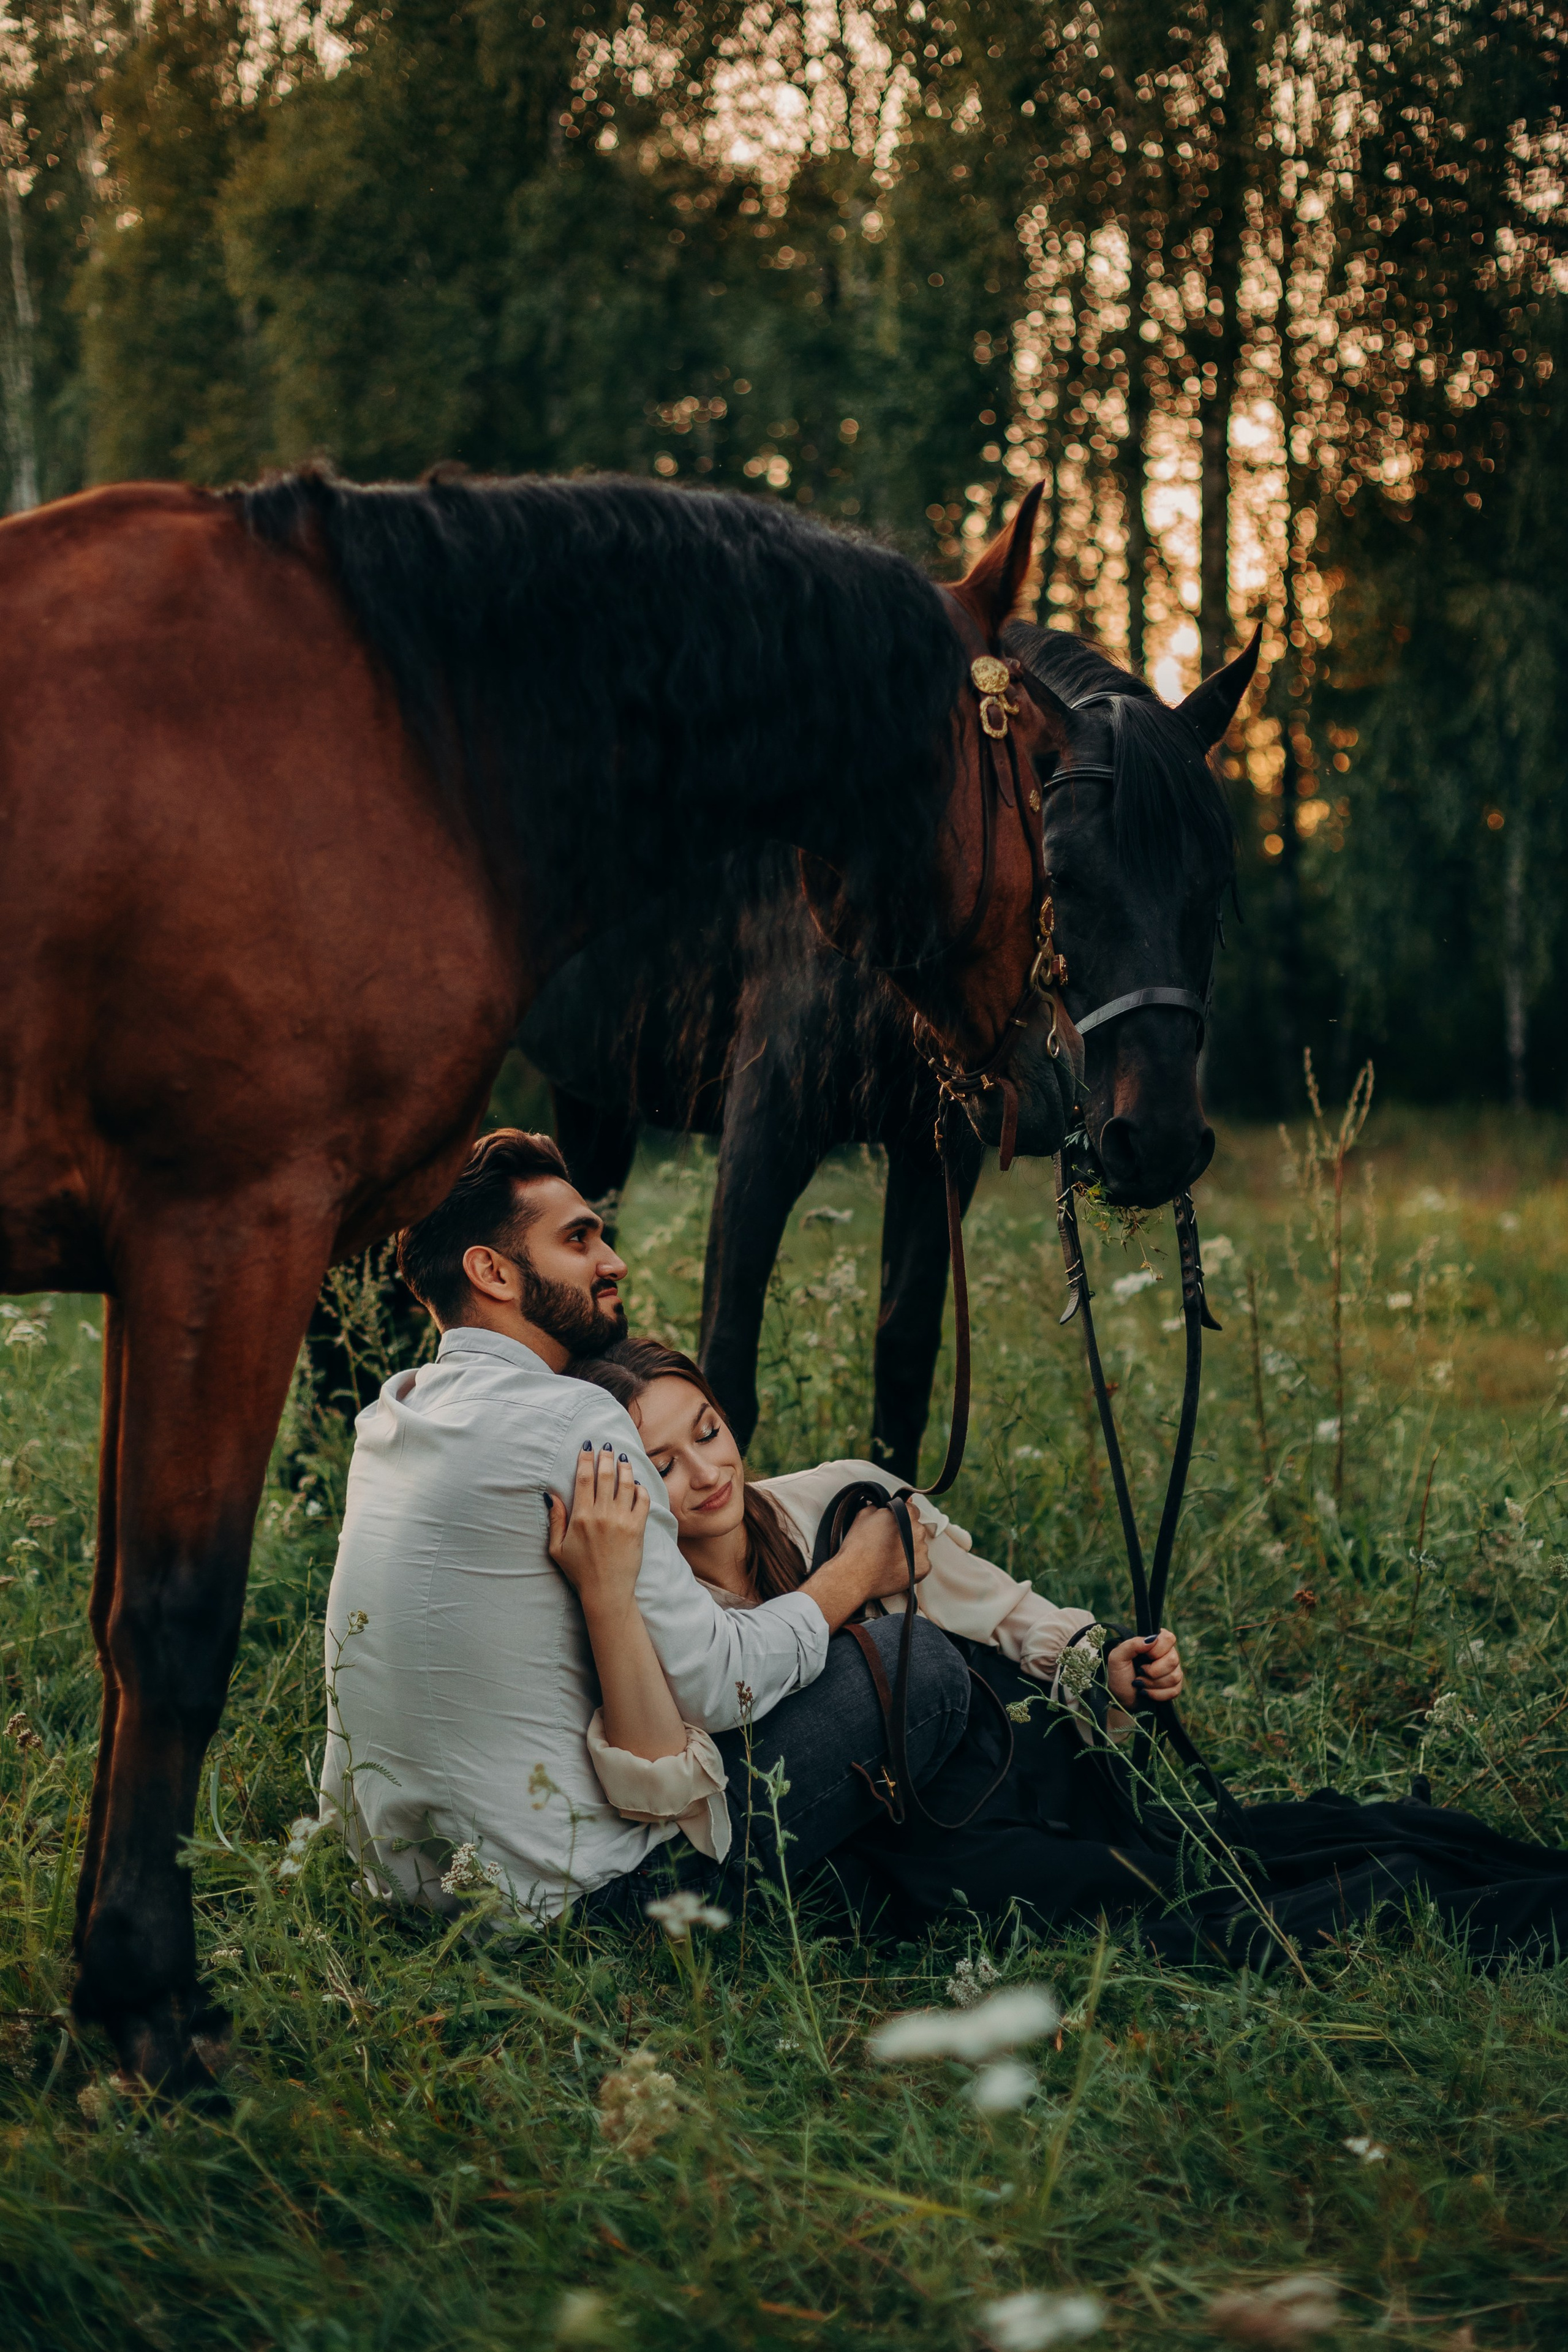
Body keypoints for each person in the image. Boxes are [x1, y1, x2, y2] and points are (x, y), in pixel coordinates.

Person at [566, 1337, 1568, 1968]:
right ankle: (1389, 1893)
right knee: (1150, 1904)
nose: (706, 1471)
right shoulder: (667, 1607)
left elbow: (1003, 1611)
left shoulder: (835, 1501)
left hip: (987, 1777)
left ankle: (1429, 1880)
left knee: (1195, 1875)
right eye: (664, 1464)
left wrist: (1108, 1666)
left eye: (709, 1429)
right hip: (894, 1846)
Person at [318, 1129, 971, 1926]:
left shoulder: (393, 1412)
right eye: (578, 1238)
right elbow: (716, 1684)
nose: (613, 1261)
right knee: (922, 1667)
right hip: (572, 1908)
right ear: (491, 1272)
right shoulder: (572, 1419)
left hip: (399, 1894)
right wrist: (856, 1574)